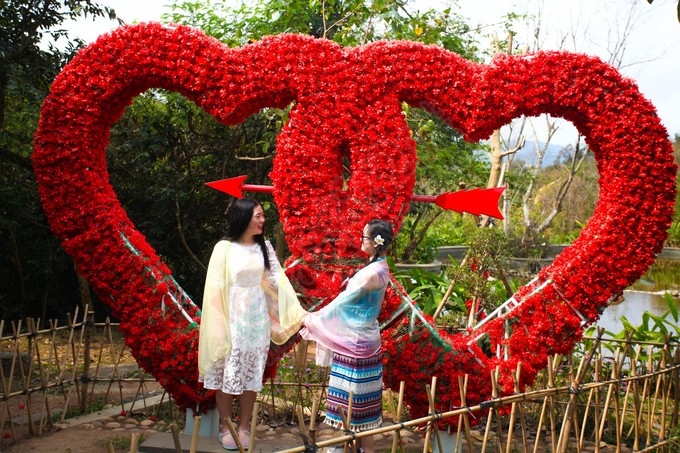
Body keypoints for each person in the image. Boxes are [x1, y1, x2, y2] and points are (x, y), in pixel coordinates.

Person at [198, 198, 304, 450]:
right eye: (257, 215)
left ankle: (244, 426)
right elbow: (214, 288)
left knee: (251, 376)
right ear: (243, 217)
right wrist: (218, 324)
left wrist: (296, 311)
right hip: (230, 318)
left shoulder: (264, 248)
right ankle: (226, 427)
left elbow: (277, 282)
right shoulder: (224, 248)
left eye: (262, 216)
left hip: (256, 323)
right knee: (227, 375)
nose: (262, 220)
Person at [300, 219, 394, 453]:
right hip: (366, 340)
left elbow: (342, 303)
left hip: (355, 343)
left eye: (364, 236)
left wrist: (312, 318)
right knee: (365, 406)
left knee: (353, 402)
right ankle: (359, 449)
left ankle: (348, 448)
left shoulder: (370, 274)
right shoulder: (379, 267)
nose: (361, 240)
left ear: (375, 243)